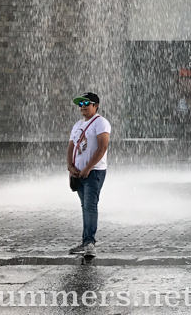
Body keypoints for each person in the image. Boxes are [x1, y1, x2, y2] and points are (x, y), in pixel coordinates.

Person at [67, 92, 111, 258]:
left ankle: (90, 243)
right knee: (85, 206)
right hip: (78, 173)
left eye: (87, 103)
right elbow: (71, 146)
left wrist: (88, 167)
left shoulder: (101, 123)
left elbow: (102, 147)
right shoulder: (78, 124)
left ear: (96, 105)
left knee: (90, 206)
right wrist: (70, 166)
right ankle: (86, 241)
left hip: (94, 172)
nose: (83, 106)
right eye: (80, 104)